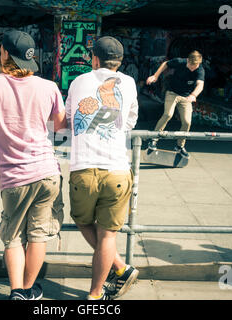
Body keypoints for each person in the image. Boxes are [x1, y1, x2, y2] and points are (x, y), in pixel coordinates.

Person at [0, 30, 67, 300]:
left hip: (13, 177)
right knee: (38, 235)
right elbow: (59, 127)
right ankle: (28, 290)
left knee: (13, 236)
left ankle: (16, 292)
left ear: (4, 53)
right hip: (47, 172)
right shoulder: (49, 87)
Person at [65, 36, 139, 300]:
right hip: (118, 169)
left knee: (82, 220)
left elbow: (70, 119)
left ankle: (121, 267)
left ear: (94, 59)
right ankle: (95, 295)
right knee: (108, 236)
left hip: (84, 168)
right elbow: (130, 121)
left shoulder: (78, 81)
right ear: (119, 61)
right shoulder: (129, 82)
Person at [146, 51, 205, 157]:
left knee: (187, 122)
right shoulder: (180, 61)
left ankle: (179, 146)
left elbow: (200, 85)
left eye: (195, 66)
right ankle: (153, 140)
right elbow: (165, 64)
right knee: (168, 114)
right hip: (172, 93)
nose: (193, 68)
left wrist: (193, 95)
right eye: (191, 66)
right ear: (188, 60)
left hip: (187, 97)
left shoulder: (200, 69)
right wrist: (155, 76)